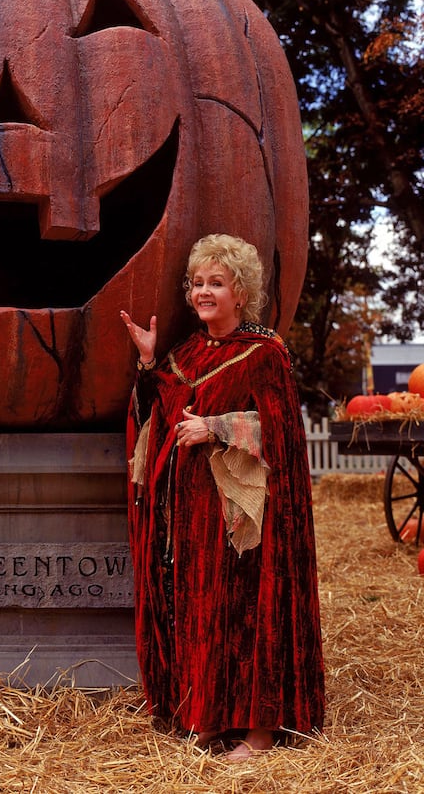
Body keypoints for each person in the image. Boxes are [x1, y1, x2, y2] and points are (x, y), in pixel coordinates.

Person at [119, 233, 325, 762]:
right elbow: (156, 413)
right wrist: (147, 363)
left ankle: (258, 731)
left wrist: (217, 427)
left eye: (217, 282)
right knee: (202, 611)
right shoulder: (184, 354)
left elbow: (281, 431)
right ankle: (207, 715)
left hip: (245, 519)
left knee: (247, 614)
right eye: (197, 283)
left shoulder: (265, 352)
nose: (203, 292)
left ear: (241, 292)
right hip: (191, 516)